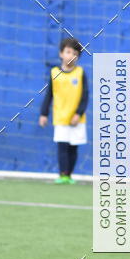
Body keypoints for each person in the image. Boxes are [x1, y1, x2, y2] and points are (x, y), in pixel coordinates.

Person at [39, 37, 88, 184]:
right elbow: (49, 95)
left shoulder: (80, 73)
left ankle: (69, 175)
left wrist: (78, 114)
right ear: (61, 53)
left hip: (76, 119)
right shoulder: (54, 73)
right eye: (67, 52)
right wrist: (43, 113)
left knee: (73, 148)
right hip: (60, 117)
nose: (70, 55)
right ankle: (63, 175)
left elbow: (85, 96)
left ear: (78, 57)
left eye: (74, 53)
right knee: (62, 146)